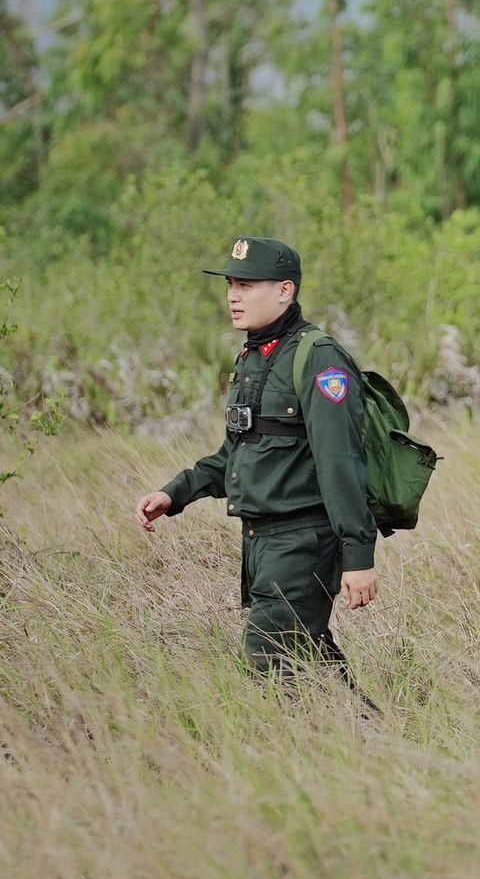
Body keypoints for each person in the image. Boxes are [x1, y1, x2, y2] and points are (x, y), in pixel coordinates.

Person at [135, 237, 379, 685]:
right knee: (309, 655)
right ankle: (371, 739)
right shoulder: (252, 357)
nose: (232, 295)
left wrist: (358, 556)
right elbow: (236, 453)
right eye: (231, 283)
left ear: (284, 290)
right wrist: (176, 492)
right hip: (261, 542)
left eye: (246, 284)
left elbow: (339, 461)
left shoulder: (319, 358)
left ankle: (305, 748)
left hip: (303, 542)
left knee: (268, 656)